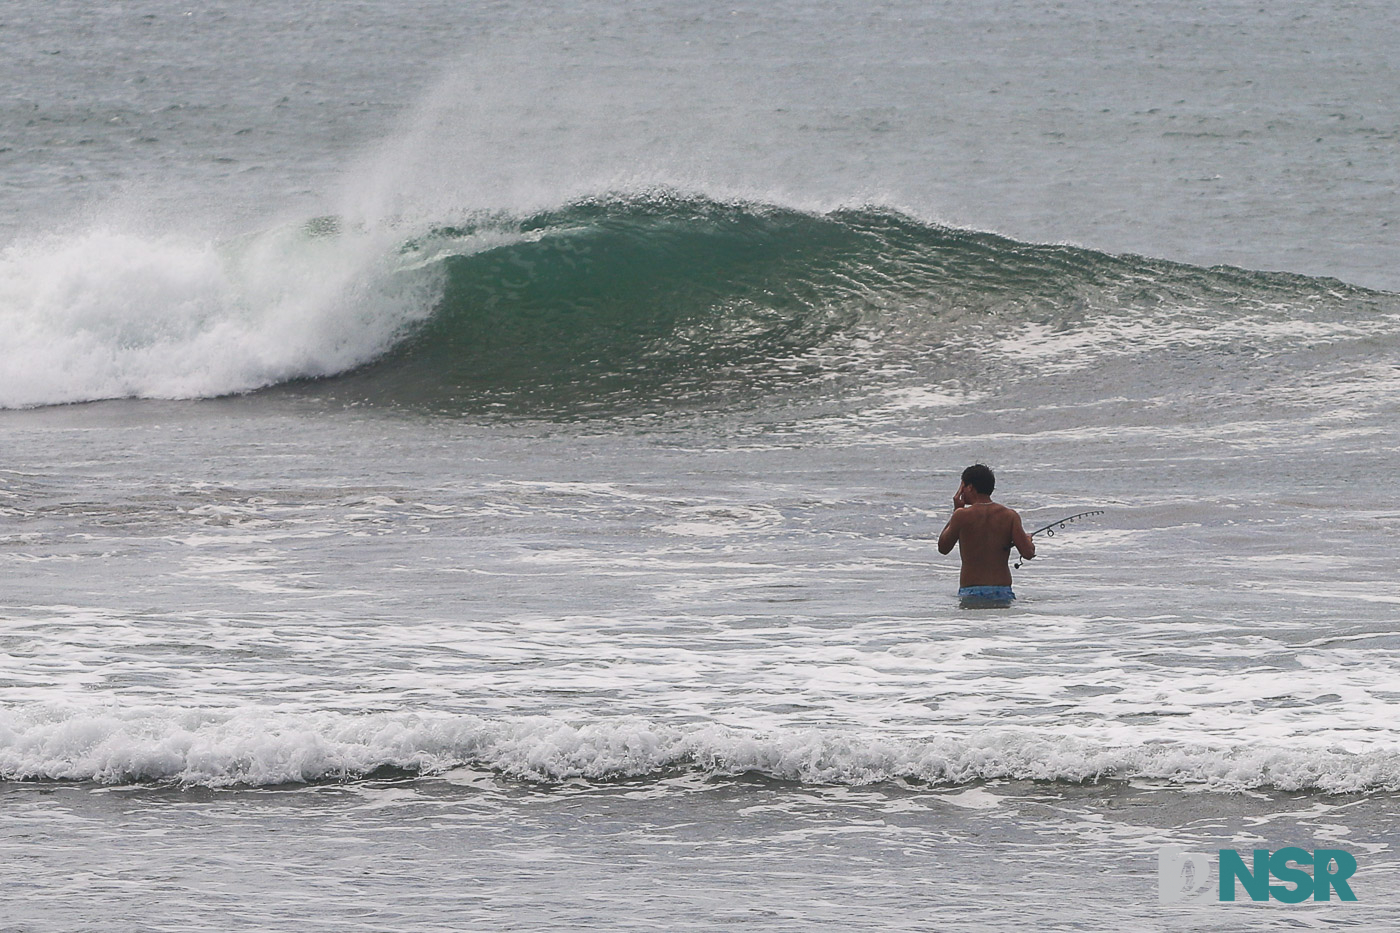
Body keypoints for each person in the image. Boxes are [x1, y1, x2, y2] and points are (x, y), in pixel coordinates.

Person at [937, 464, 1035, 607]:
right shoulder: (1009, 516)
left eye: (962, 486)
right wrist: (1027, 540)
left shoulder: (961, 515)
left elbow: (943, 547)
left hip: (971, 591)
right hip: (1002, 591)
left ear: (970, 487)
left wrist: (956, 509)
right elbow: (1028, 553)